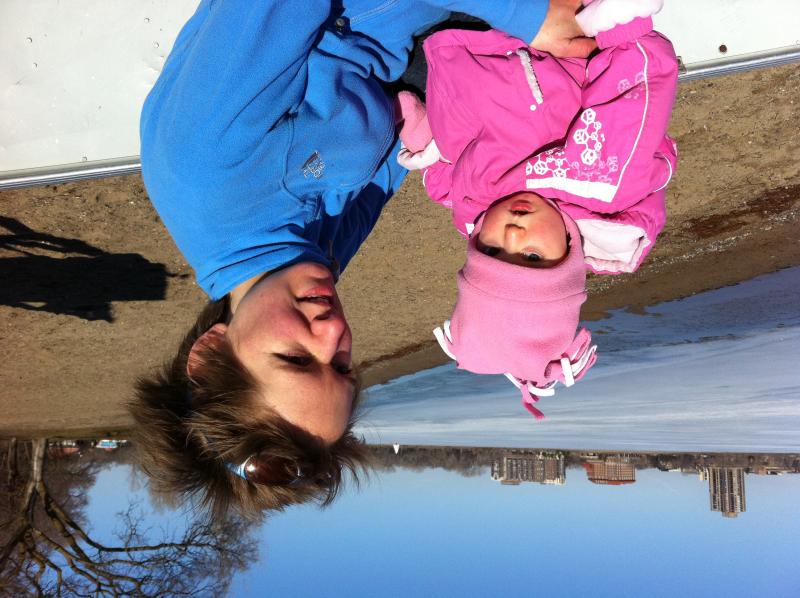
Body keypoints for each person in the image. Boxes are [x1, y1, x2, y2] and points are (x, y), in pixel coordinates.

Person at [131, 0, 598, 519]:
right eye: (341, 366)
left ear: (208, 352)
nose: (333, 332)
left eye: (296, 359)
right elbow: (405, 150)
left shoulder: (206, 165)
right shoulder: (311, 264)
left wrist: (522, 14)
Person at [396, 0, 678, 418]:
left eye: (490, 251)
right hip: (531, 30)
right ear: (570, 257)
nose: (511, 234)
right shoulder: (602, 179)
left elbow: (449, 187)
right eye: (531, 257)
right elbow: (635, 90)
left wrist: (424, 143)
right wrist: (619, 28)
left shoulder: (477, 211)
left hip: (449, 51)